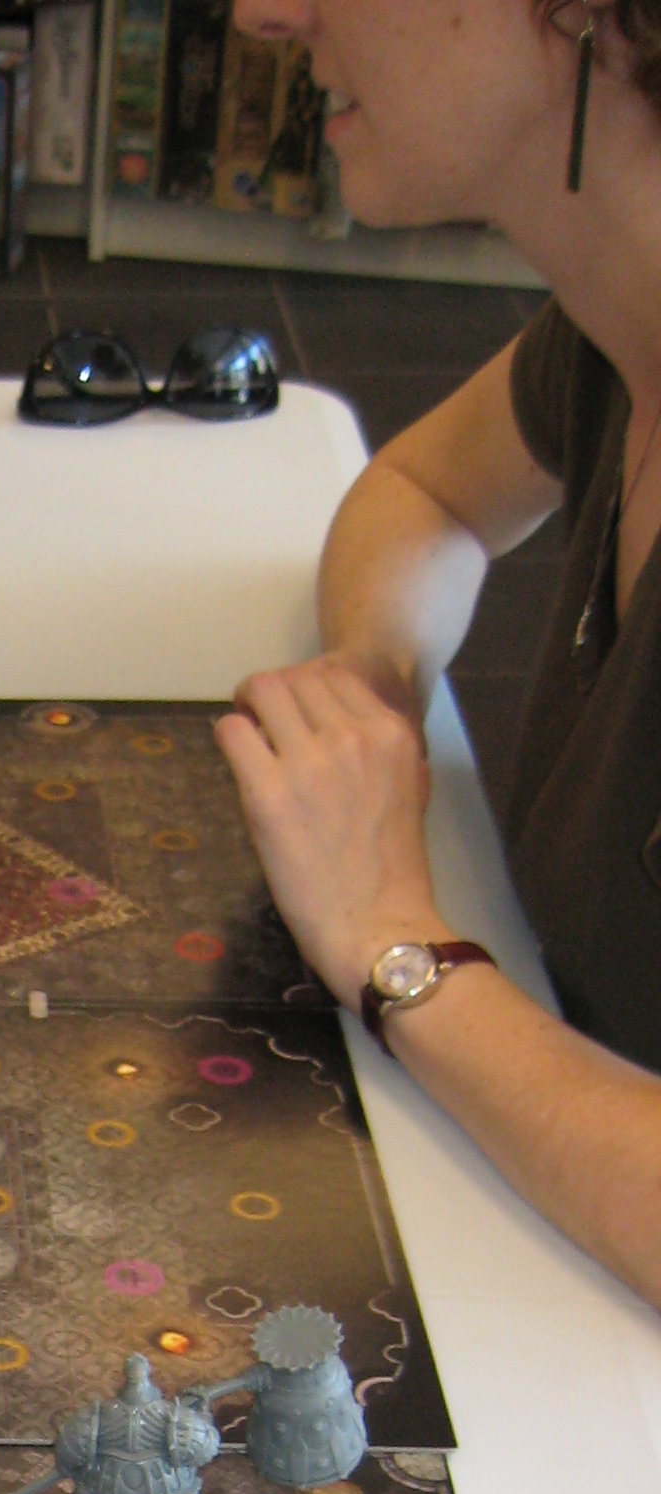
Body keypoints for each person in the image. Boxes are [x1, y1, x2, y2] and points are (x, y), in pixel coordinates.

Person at [218, 0, 661, 1309]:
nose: (266, 14)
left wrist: (395, 942)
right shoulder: (620, 316)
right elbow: (426, 490)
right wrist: (372, 686)